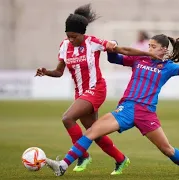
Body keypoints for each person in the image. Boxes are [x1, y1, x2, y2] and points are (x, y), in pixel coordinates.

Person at [45, 28, 179, 176]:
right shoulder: (139, 59)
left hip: (146, 112)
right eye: (149, 46)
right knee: (91, 132)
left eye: (153, 47)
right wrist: (112, 45)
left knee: (167, 149)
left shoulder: (168, 67)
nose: (149, 49)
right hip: (125, 109)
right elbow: (113, 59)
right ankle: (62, 166)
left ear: (163, 49)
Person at [35, 4, 160, 174]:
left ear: (82, 33)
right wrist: (46, 72)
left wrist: (148, 54)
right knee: (94, 132)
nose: (71, 40)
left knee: (67, 118)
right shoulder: (64, 45)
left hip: (96, 89)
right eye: (68, 36)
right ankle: (121, 159)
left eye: (74, 37)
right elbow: (59, 71)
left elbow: (122, 49)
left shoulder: (92, 42)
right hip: (80, 93)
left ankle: (83, 156)